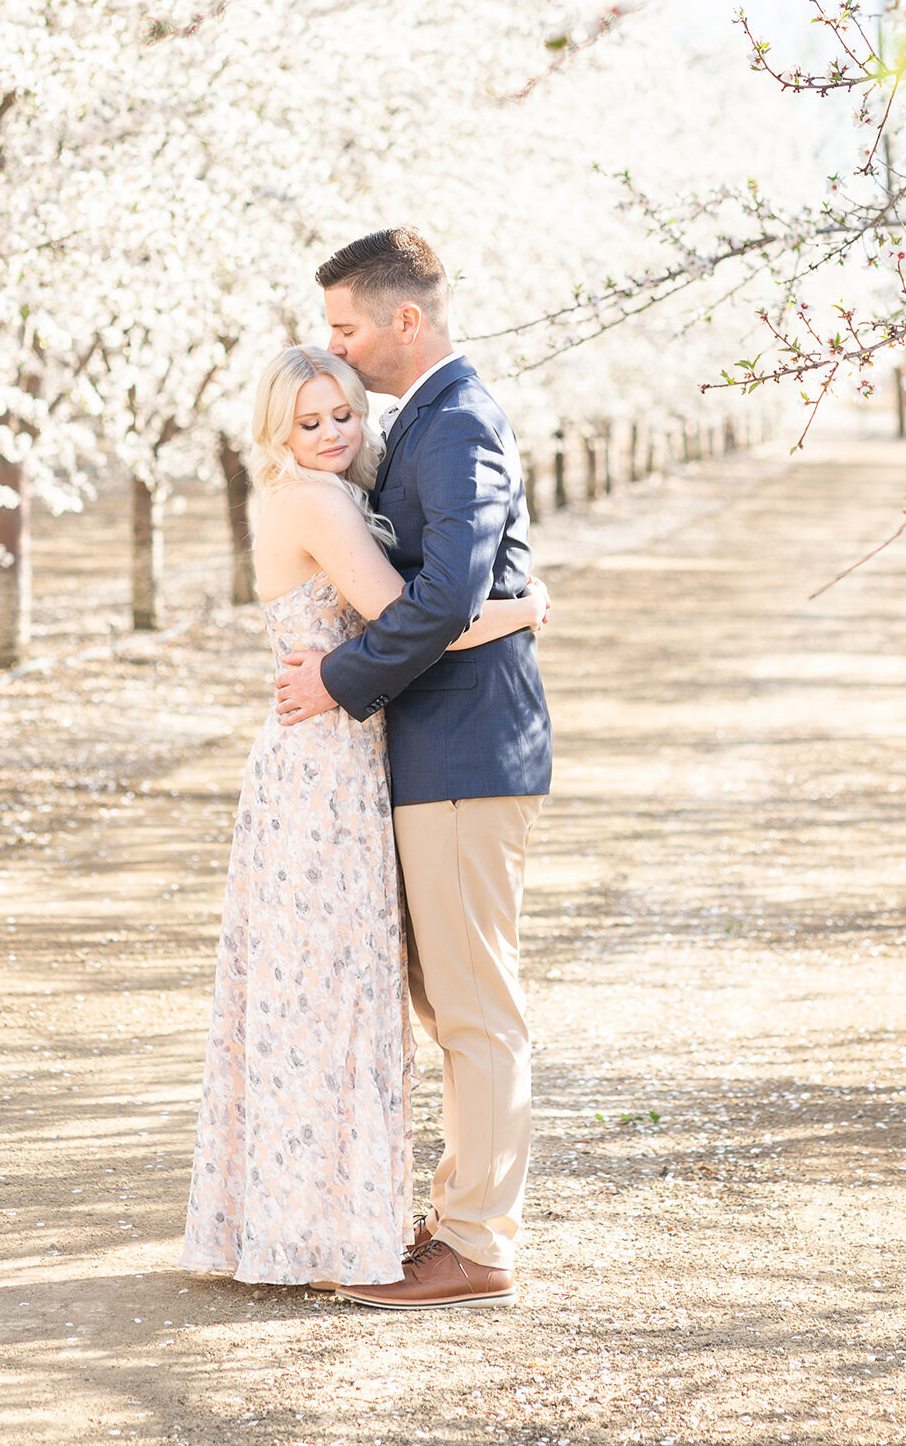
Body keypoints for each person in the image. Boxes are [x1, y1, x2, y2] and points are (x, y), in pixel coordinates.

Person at [181, 343, 548, 1292]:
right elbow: (422, 618)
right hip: (325, 768)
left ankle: (324, 1220)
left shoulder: (337, 491)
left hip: (343, 758)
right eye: (308, 422)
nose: (332, 432)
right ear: (276, 431)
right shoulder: (316, 500)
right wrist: (524, 607)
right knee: (326, 995)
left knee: (328, 994)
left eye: (343, 413)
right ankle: (324, 1226)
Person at [274, 226, 553, 1312]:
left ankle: (476, 1244)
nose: (334, 345)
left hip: (466, 751)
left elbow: (446, 596)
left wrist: (337, 679)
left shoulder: (458, 419)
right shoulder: (419, 423)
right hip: (432, 750)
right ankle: (458, 1216)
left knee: (476, 1006)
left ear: (405, 319)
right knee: (450, 1001)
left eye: (345, 326)